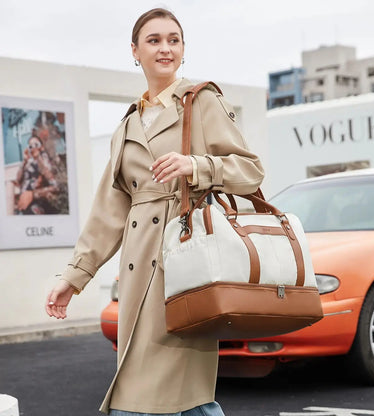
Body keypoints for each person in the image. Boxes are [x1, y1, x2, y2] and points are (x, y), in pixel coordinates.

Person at [45, 7, 264, 416]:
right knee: (155, 395)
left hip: (185, 265)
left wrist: (197, 166)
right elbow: (109, 211)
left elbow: (251, 171)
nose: (165, 48)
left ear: (183, 50)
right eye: (154, 40)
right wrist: (74, 278)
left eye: (174, 40)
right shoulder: (127, 125)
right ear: (135, 51)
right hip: (136, 272)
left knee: (171, 396)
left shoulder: (202, 101)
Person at [14, 134, 59, 214]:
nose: (33, 147)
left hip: (37, 201)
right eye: (31, 146)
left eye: (36, 144)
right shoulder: (28, 162)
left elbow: (52, 180)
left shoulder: (45, 159)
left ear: (42, 147)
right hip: (23, 200)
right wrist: (24, 161)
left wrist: (38, 157)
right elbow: (17, 180)